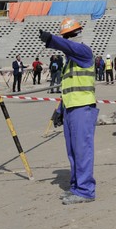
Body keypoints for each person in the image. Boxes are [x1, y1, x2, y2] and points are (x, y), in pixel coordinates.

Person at [39, 18, 98, 205]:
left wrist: (53, 39)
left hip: (83, 108)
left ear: (77, 34)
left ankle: (86, 190)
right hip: (71, 109)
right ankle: (76, 187)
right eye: (67, 36)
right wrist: (60, 110)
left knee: (82, 150)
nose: (70, 39)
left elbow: (69, 48)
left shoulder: (83, 52)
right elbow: (68, 88)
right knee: (72, 151)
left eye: (70, 36)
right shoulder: (69, 62)